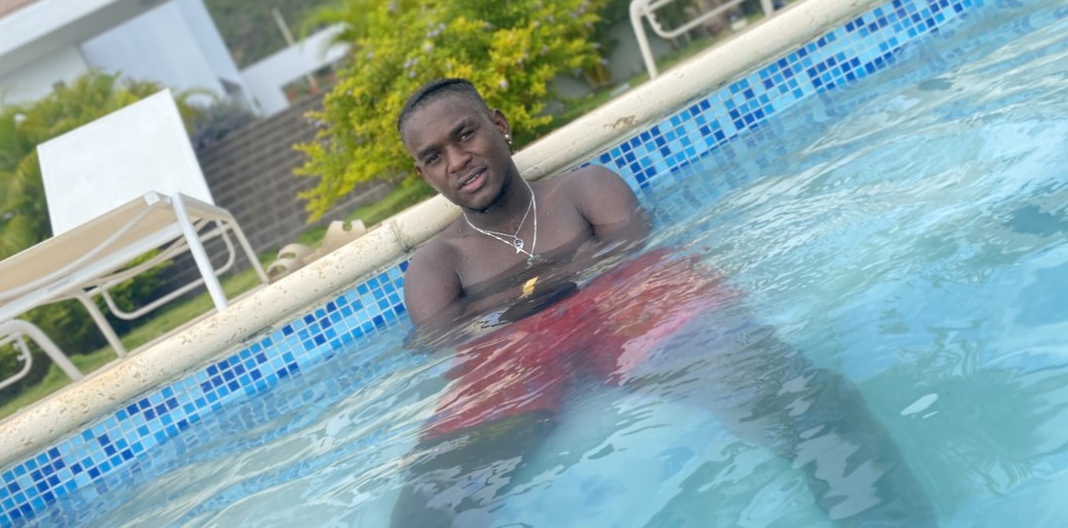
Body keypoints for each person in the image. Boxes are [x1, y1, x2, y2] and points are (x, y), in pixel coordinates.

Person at [391, 78, 936, 526]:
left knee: (796, 397)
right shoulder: (438, 267)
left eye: (466, 134)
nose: (457, 160)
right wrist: (563, 279)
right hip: (517, 356)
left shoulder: (583, 190)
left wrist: (516, 298)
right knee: (430, 506)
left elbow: (632, 250)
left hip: (626, 304)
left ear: (500, 124)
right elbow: (447, 345)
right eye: (434, 157)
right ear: (423, 175)